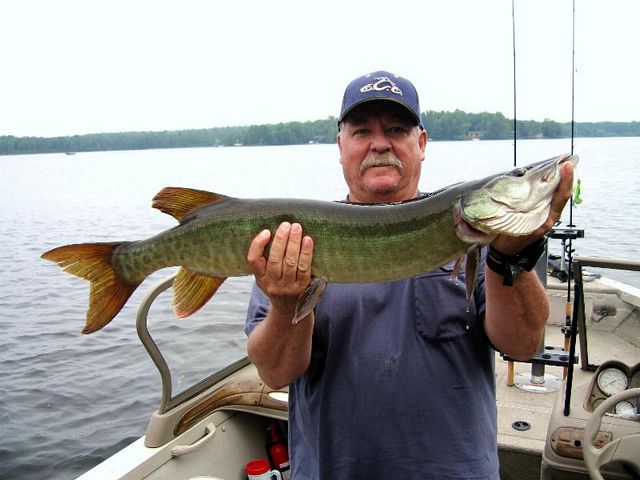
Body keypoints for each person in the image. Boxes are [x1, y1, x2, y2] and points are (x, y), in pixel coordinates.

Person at [244, 70, 574, 479]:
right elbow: (275, 373)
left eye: (397, 129)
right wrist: (285, 304)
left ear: (420, 143)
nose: (379, 143)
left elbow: (523, 345)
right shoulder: (296, 243)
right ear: (340, 145)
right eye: (361, 130)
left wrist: (512, 257)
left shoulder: (483, 241)